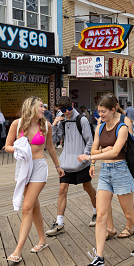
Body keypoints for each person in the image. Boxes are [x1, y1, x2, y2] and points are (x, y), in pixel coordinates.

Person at [78, 95, 134, 266]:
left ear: (112, 110)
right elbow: (96, 147)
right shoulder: (99, 128)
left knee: (129, 214)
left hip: (121, 171)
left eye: (103, 111)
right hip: (105, 173)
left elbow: (116, 151)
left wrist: (92, 157)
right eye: (99, 111)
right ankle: (99, 256)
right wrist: (96, 159)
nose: (100, 114)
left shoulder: (122, 127)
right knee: (101, 215)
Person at [4, 97, 64, 262]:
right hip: (23, 167)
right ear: (31, 108)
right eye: (40, 107)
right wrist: (18, 148)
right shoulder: (17, 124)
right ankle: (43, 240)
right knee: (34, 205)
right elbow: (7, 146)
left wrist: (58, 166)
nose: (43, 109)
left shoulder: (46, 125)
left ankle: (18, 250)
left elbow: (50, 146)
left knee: (27, 207)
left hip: (39, 167)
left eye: (44, 107)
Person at [46, 97, 97, 236]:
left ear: (72, 105)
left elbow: (89, 141)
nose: (67, 112)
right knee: (62, 189)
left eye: (69, 109)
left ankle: (97, 212)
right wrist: (55, 124)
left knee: (87, 187)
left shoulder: (82, 120)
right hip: (67, 161)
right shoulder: (61, 118)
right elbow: (55, 140)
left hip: (81, 162)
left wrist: (85, 156)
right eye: (63, 110)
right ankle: (59, 223)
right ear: (59, 110)